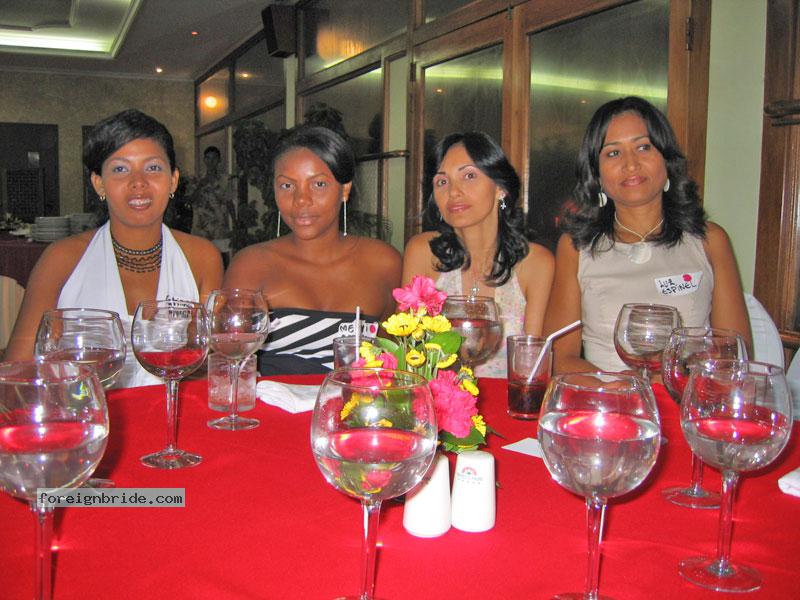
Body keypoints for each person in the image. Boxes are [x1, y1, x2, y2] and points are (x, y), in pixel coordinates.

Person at [5, 109, 223, 386]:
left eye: (153, 168)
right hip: (83, 410)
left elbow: (207, 363)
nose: (138, 183)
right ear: (99, 184)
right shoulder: (62, 258)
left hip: (170, 410)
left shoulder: (202, 257)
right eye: (120, 169)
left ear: (173, 180)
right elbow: (17, 372)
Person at [543, 96, 751, 374]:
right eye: (613, 153)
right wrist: (621, 387)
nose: (631, 164)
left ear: (666, 159)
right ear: (597, 174)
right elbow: (558, 359)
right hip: (605, 395)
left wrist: (676, 377)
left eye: (643, 147)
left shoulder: (709, 240)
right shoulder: (576, 247)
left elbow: (735, 354)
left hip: (683, 394)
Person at [223, 125, 401, 375]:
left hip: (353, 400)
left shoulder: (384, 262)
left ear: (345, 189)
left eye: (318, 184)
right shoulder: (251, 265)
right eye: (287, 186)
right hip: (269, 400)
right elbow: (230, 363)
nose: (301, 200)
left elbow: (396, 362)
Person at [402, 131, 555, 378]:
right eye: (442, 182)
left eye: (469, 176)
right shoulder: (423, 252)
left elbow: (531, 368)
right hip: (438, 399)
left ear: (500, 188)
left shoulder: (535, 263)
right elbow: (411, 356)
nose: (453, 192)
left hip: (507, 398)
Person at [189, 145, 236, 261]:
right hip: (201, 227)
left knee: (222, 258)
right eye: (208, 158)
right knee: (202, 259)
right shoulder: (196, 179)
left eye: (214, 158)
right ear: (204, 160)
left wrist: (235, 221)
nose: (211, 162)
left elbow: (229, 201)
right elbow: (190, 200)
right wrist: (200, 185)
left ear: (219, 160)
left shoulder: (225, 180)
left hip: (219, 226)